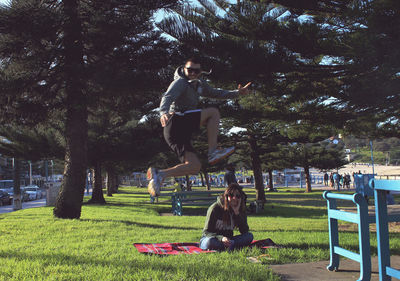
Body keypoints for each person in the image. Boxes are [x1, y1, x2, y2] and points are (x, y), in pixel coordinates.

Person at [147, 57, 251, 196]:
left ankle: (159, 174)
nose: (193, 73)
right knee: (213, 113)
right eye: (190, 70)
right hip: (175, 121)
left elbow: (216, 93)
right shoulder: (180, 82)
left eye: (196, 71)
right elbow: (168, 96)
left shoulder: (199, 84)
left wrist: (238, 93)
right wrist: (163, 112)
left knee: (194, 167)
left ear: (201, 72)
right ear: (184, 69)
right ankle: (213, 151)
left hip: (178, 133)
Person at [199, 183, 253, 251]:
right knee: (210, 242)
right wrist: (221, 238)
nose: (234, 198)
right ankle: (230, 246)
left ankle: (227, 246)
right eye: (231, 195)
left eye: (238, 196)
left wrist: (237, 213)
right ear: (226, 196)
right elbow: (206, 232)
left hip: (229, 240)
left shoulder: (240, 209)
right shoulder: (215, 208)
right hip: (212, 238)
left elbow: (244, 231)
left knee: (249, 236)